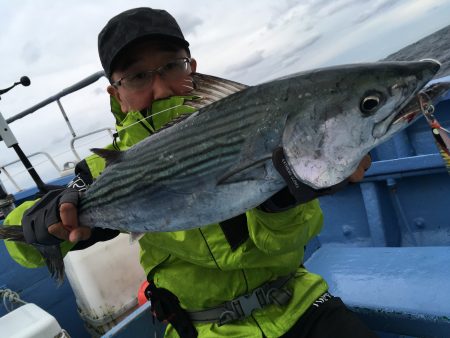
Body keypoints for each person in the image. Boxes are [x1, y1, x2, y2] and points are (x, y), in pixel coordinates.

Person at [3, 7, 375, 338]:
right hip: (201, 327)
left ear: (191, 67)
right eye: (136, 77)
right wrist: (38, 220)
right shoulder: (104, 167)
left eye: (171, 66)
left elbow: (291, 244)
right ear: (116, 94)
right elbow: (24, 244)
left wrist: (281, 204)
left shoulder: (250, 123)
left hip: (298, 300)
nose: (161, 89)